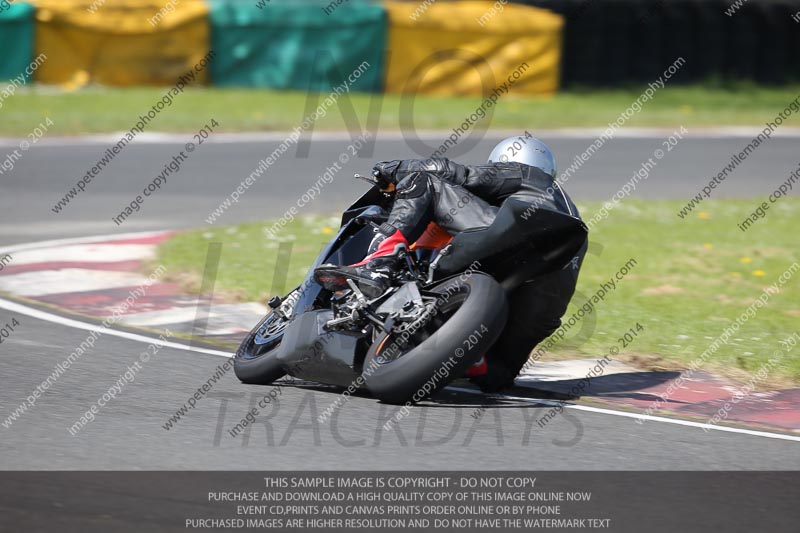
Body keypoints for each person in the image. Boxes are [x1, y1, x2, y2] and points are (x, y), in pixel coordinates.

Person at [313, 135, 587, 392]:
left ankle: (380, 263)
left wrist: (396, 169)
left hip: (506, 240)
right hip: (522, 332)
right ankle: (473, 360)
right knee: (497, 375)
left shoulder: (525, 174)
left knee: (426, 180)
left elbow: (455, 173)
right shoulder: (571, 224)